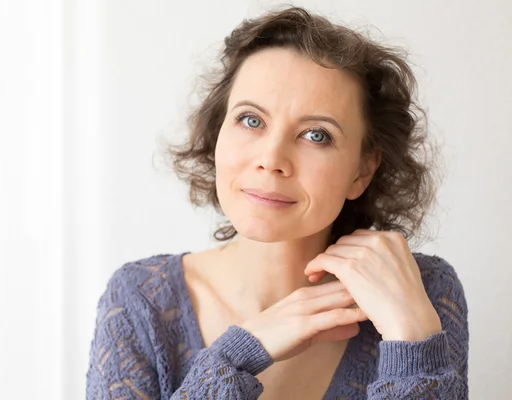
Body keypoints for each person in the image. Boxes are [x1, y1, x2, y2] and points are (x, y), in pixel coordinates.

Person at [86, 6, 469, 399]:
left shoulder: (422, 291)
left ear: (362, 171)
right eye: (251, 120)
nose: (271, 159)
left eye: (316, 135)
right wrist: (238, 356)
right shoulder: (140, 302)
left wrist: (412, 342)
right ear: (218, 133)